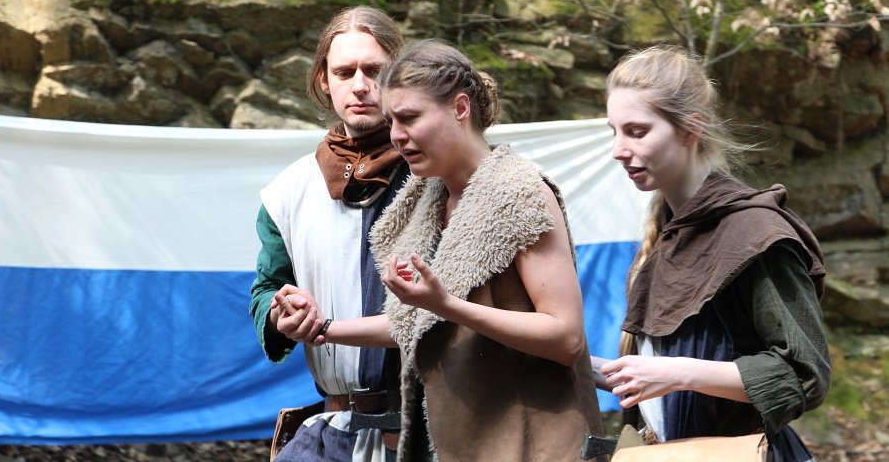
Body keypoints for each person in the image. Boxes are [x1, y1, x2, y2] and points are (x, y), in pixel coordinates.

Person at [321, 39, 606, 462]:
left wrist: (448, 305)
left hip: (533, 447)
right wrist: (323, 328)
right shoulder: (423, 201)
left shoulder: (519, 193)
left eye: (410, 118)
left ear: (460, 108)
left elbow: (566, 338)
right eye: (392, 120)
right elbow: (416, 323)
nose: (397, 136)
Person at [596, 44, 830, 460]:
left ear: (691, 129)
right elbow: (657, 385)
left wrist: (677, 373)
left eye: (637, 131)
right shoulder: (664, 232)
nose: (618, 149)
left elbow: (804, 374)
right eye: (614, 131)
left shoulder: (755, 233)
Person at [249, 5, 408, 462]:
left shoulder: (435, 174)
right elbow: (266, 289)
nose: (359, 85)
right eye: (344, 72)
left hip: (429, 428)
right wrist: (281, 314)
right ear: (324, 80)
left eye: (374, 70)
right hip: (334, 433)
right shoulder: (289, 191)